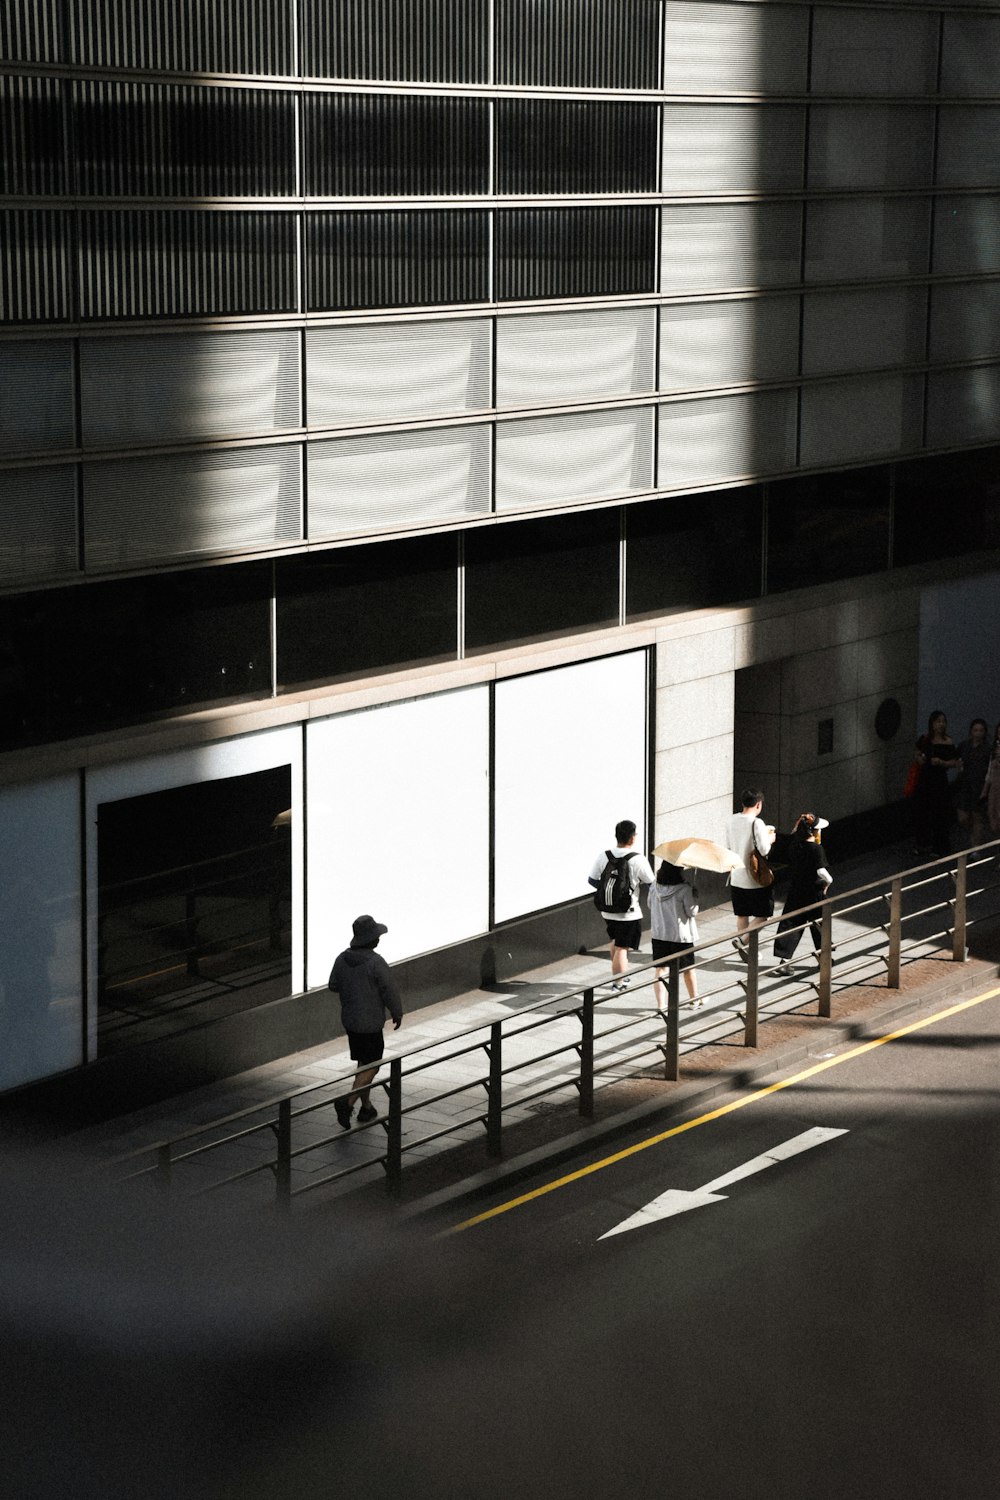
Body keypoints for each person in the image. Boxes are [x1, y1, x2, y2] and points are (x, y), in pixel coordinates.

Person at [328, 914, 403, 1130]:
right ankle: (347, 1102)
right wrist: (396, 1012)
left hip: (351, 1021)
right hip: (370, 1022)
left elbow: (333, 984)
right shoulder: (375, 962)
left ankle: (366, 1107)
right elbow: (389, 990)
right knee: (373, 1064)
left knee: (363, 1063)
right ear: (372, 939)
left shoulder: (342, 959)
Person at [588, 819, 654, 993]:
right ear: (632, 838)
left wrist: (611, 894)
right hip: (629, 912)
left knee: (615, 942)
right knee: (622, 948)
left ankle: (620, 975)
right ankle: (618, 983)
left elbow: (593, 880)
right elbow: (651, 883)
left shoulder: (604, 855)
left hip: (607, 910)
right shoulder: (638, 859)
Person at [772, 814, 833, 975]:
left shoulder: (794, 845)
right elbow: (822, 871)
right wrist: (828, 882)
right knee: (820, 924)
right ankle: (824, 958)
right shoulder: (816, 849)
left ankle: (784, 960)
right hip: (814, 892)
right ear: (814, 832)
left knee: (792, 923)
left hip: (796, 890)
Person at [724, 788, 775, 959]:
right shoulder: (757, 823)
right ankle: (743, 941)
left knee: (742, 914)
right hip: (755, 878)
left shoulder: (731, 820)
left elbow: (729, 846)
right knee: (764, 915)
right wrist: (770, 838)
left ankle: (746, 950)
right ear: (758, 804)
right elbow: (764, 849)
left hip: (736, 876)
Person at [649, 860, 700, 1011]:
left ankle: (661, 1005)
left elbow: (649, 905)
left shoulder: (654, 886)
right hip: (681, 936)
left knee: (661, 970)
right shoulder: (684, 889)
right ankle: (694, 1000)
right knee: (688, 969)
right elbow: (692, 912)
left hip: (659, 934)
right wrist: (695, 897)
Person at [911, 710, 959, 857]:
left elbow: (954, 761)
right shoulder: (925, 739)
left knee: (940, 814)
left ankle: (940, 846)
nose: (941, 724)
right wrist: (920, 759)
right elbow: (916, 752)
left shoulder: (948, 742)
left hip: (939, 781)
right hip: (925, 779)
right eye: (938, 721)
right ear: (932, 723)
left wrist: (942, 762)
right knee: (923, 813)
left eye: (943, 721)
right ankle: (922, 844)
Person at [955, 718, 991, 847]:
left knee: (977, 816)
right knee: (963, 817)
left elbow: (989, 769)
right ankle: (973, 834)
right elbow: (956, 758)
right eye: (976, 730)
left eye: (981, 730)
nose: (978, 733)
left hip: (979, 785)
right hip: (965, 784)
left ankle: (976, 847)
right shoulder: (964, 745)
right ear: (971, 732)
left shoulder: (987, 749)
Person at [982, 723, 1000, 840]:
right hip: (994, 787)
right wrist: (985, 790)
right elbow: (989, 771)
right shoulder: (994, 749)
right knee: (993, 817)